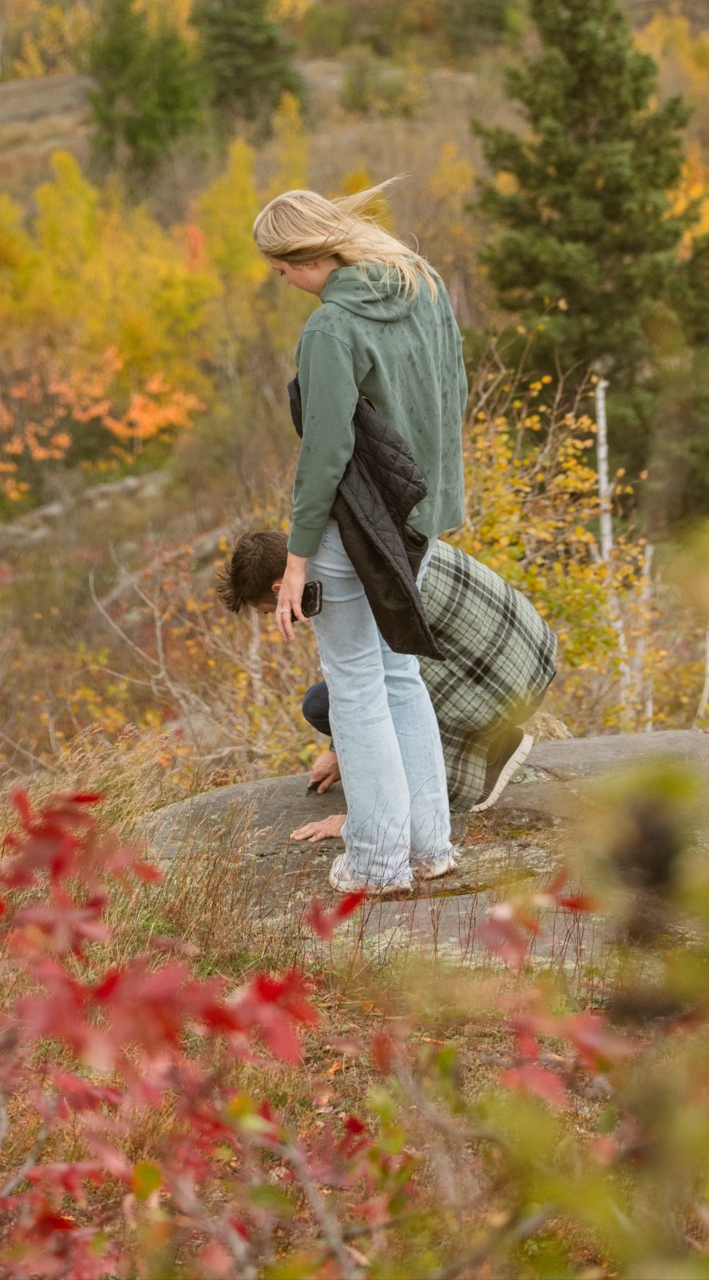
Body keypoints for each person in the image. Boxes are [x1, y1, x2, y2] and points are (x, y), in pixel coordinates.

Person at [252, 182, 466, 897]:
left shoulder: (330, 330)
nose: (286, 283)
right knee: (399, 673)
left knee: (356, 687)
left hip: (355, 525)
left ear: (309, 254)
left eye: (284, 270)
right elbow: (452, 395)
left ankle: (377, 862)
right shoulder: (424, 286)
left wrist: (296, 557)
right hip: (419, 516)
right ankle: (429, 846)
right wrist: (440, 503)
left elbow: (325, 454)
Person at [221, 527, 557, 819]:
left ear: (280, 589)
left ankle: (492, 753)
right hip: (534, 655)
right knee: (324, 702)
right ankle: (487, 737)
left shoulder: (342, 592)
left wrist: (367, 818)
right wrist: (337, 753)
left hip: (504, 683)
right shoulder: (353, 540)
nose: (278, 619)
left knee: (353, 704)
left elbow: (365, 693)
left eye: (270, 612)